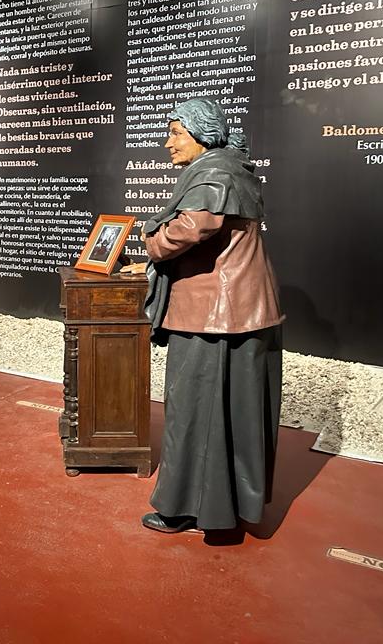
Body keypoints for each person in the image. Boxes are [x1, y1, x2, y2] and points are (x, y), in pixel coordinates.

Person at [139, 96, 284, 541]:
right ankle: (226, 511)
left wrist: (150, 243)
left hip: (213, 314)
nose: (168, 142)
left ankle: (186, 509)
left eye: (175, 132)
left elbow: (194, 226)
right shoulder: (231, 167)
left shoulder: (214, 172)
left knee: (192, 411)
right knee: (232, 413)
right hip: (243, 311)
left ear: (201, 133)